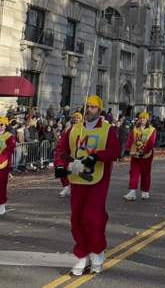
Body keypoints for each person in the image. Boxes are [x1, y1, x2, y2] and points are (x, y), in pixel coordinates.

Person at [53, 96, 120, 276]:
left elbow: (116, 150)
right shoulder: (73, 129)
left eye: (92, 107)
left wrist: (98, 156)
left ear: (99, 110)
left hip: (98, 179)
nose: (89, 110)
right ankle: (82, 255)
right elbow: (62, 149)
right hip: (76, 178)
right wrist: (59, 165)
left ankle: (97, 253)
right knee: (77, 217)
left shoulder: (108, 129)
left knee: (93, 216)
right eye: (87, 107)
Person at [124, 112, 156, 201]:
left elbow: (151, 142)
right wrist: (127, 148)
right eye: (141, 118)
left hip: (146, 155)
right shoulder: (135, 129)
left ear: (147, 120)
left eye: (144, 118)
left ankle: (145, 191)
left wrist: (145, 151)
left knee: (145, 173)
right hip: (136, 154)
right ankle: (132, 191)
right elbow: (131, 139)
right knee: (134, 172)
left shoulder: (152, 130)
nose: (142, 120)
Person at [58, 113, 82, 198]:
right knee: (62, 169)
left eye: (77, 118)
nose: (75, 119)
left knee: (77, 172)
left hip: (79, 154)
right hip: (68, 154)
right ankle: (66, 187)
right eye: (74, 117)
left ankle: (75, 188)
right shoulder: (68, 129)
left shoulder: (83, 129)